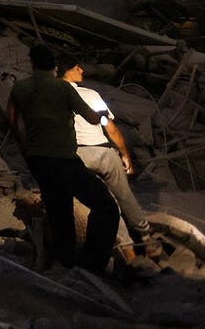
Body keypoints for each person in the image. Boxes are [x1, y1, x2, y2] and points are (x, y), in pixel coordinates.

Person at [6, 42, 119, 273]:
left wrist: (23, 144)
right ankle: (93, 264)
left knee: (60, 210)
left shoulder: (20, 88)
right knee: (105, 205)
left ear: (32, 63)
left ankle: (65, 262)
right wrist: (101, 115)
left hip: (37, 160)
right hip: (64, 159)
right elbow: (90, 117)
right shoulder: (63, 89)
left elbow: (11, 119)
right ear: (55, 66)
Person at [57, 52, 154, 257]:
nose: (81, 70)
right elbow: (109, 126)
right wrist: (124, 153)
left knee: (106, 202)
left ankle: (128, 250)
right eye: (77, 67)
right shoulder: (90, 95)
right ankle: (148, 239)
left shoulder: (51, 98)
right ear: (67, 72)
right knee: (125, 196)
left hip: (77, 156)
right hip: (103, 153)